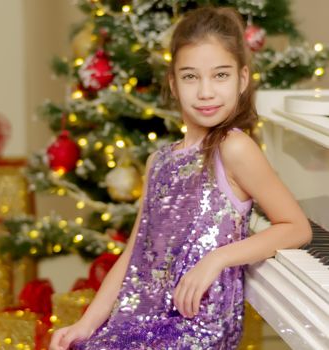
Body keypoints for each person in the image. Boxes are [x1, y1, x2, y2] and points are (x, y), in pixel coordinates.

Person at [49, 6, 312, 350]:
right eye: (191, 77)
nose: (206, 92)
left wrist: (217, 258)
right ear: (173, 83)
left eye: (220, 75)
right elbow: (133, 253)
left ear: (242, 79)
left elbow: (296, 227)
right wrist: (86, 324)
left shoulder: (233, 148)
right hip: (139, 319)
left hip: (194, 330)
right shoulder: (158, 161)